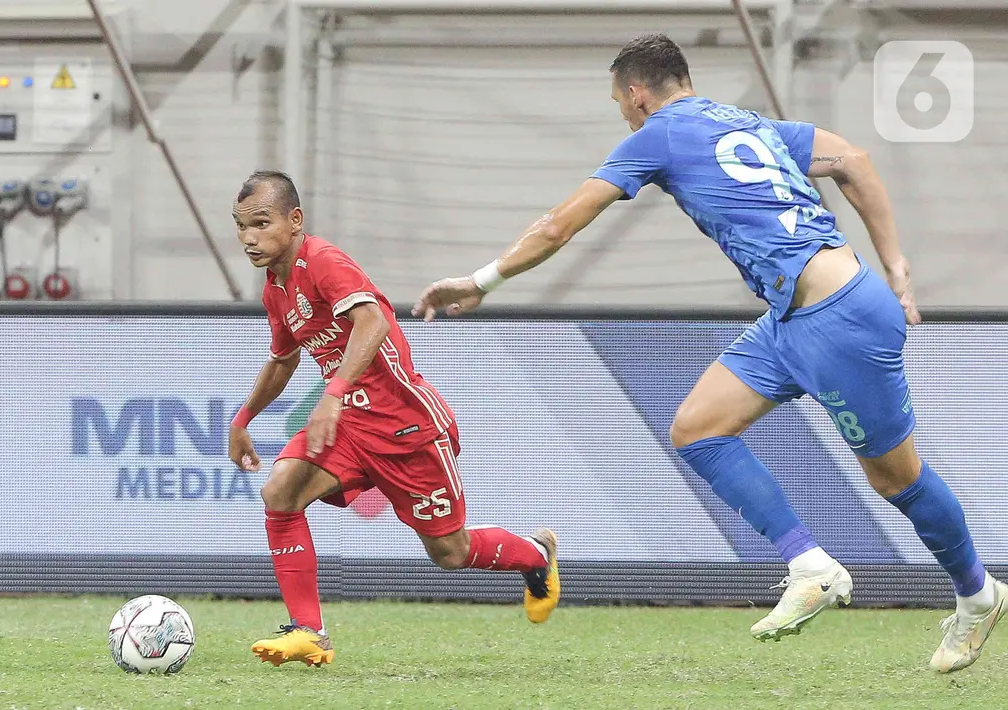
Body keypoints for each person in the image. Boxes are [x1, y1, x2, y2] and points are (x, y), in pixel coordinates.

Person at [411, 33, 1003, 674]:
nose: (624, 115)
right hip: (792, 316)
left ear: (638, 94)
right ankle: (810, 565)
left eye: (620, 103)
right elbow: (854, 159)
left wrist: (480, 281)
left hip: (839, 322)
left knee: (897, 480)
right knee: (697, 428)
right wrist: (895, 263)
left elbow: (559, 223)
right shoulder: (747, 123)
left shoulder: (657, 133)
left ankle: (977, 597)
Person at [228, 170, 561, 668]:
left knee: (450, 552)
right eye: (240, 225)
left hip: (405, 426)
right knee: (280, 492)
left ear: (295, 220)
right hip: (346, 429)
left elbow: (374, 321)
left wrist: (334, 391)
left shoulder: (322, 260)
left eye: (261, 222)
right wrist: (242, 419)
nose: (249, 237)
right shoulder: (276, 288)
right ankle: (309, 632)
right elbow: (283, 359)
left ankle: (536, 554)